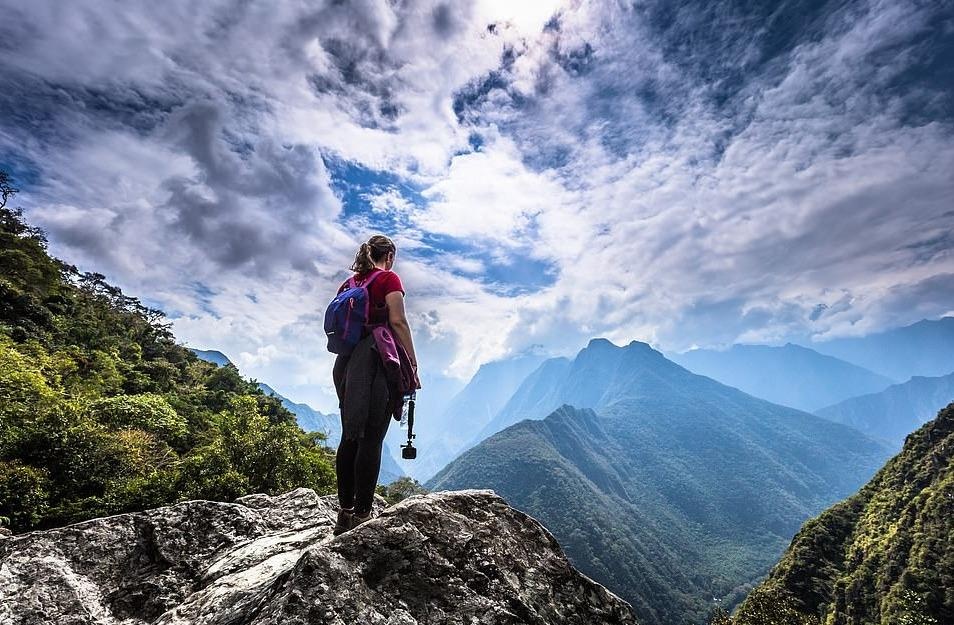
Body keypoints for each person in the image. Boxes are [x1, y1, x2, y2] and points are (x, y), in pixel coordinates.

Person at [332, 235, 419, 535]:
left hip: (345, 367)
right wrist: (412, 359)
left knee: (350, 436)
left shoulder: (349, 285)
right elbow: (398, 321)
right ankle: (362, 514)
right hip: (375, 363)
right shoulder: (388, 279)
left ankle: (344, 512)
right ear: (390, 256)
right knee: (371, 437)